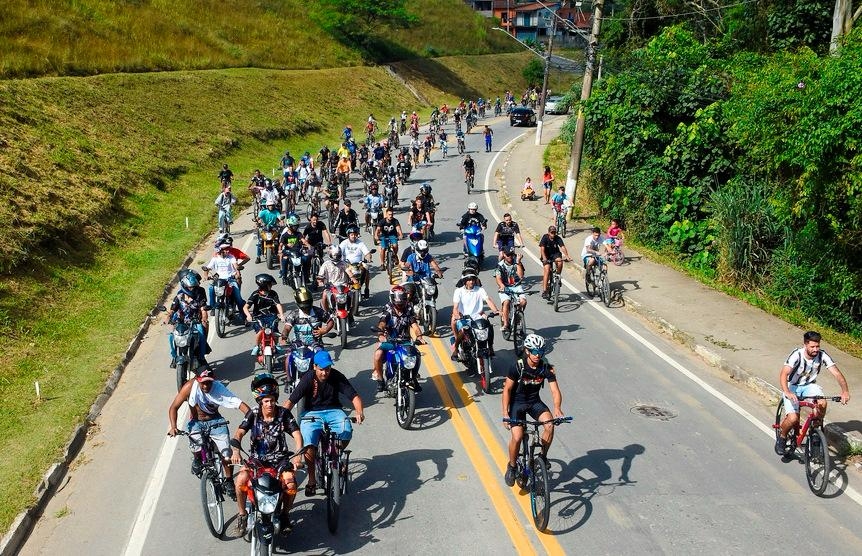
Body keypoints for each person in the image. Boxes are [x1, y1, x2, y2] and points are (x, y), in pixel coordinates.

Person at [230, 373, 303, 536]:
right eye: (266, 401)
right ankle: (242, 515)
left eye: (272, 400)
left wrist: (298, 455)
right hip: (256, 461)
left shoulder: (284, 413)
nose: (270, 404)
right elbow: (239, 433)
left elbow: (297, 435)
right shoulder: (253, 414)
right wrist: (236, 450)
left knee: (291, 485)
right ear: (260, 401)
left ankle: (285, 515)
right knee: (240, 481)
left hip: (280, 461)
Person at [283, 350, 364, 496]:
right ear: (314, 367)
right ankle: (312, 479)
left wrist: (359, 411)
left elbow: (354, 396)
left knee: (346, 429)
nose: (325, 373)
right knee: (308, 441)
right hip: (311, 413)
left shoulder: (336, 376)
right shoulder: (307, 378)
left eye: (327, 369)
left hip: (334, 411)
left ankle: (336, 455)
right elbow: (291, 401)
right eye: (322, 369)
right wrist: (280, 418)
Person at [501, 334, 564, 486]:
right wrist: (505, 413)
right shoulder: (517, 366)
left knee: (549, 424)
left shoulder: (546, 368)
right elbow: (507, 390)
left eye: (540, 352)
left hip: (534, 402)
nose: (538, 355)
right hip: (518, 404)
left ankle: (542, 456)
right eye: (534, 351)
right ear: (527, 351)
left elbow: (555, 391)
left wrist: (557, 408)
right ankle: (512, 466)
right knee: (517, 437)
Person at [774, 331, 851, 456]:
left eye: (817, 346)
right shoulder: (796, 355)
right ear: (805, 344)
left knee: (822, 403)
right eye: (812, 347)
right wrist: (787, 392)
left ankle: (815, 434)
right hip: (792, 386)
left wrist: (845, 391)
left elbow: (837, 373)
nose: (815, 349)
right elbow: (784, 374)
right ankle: (782, 438)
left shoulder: (822, 355)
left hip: (810, 386)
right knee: (793, 418)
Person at [168, 369, 250, 482]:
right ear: (197, 380)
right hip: (196, 422)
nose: (206, 386)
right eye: (203, 383)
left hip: (216, 421)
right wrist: (173, 427)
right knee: (196, 445)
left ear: (213, 380)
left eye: (209, 382)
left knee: (226, 454)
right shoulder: (189, 387)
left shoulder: (219, 388)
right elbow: (174, 407)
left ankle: (229, 480)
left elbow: (239, 404)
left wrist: (251, 419)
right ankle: (197, 458)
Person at [372, 285, 426, 393]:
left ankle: (413, 378)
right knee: (378, 355)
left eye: (402, 302)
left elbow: (414, 325)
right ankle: (380, 380)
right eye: (398, 303)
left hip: (405, 341)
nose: (400, 305)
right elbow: (382, 322)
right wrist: (381, 335)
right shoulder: (388, 308)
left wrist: (419, 337)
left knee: (417, 355)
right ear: (393, 300)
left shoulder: (409, 308)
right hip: (390, 340)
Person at [451, 269, 500, 361]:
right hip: (464, 318)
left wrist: (496, 310)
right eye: (469, 280)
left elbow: (488, 300)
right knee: (462, 331)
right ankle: (456, 349)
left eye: (473, 279)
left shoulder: (480, 290)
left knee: (489, 327)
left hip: (478, 317)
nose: (472, 281)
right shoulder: (458, 291)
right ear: (465, 281)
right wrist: (457, 315)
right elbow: (455, 307)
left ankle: (490, 347)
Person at [164, 284, 210, 370]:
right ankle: (174, 357)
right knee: (171, 336)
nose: (191, 289)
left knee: (201, 331)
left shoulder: (198, 296)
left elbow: (203, 310)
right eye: (190, 287)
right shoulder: (179, 297)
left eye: (192, 287)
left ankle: (201, 357)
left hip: (194, 322)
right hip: (181, 323)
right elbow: (172, 310)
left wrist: (204, 319)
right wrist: (168, 318)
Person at [242, 274, 285, 353]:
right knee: (260, 331)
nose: (271, 286)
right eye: (270, 284)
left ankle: (277, 344)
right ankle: (257, 346)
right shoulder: (255, 294)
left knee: (274, 331)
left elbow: (278, 304)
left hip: (271, 316)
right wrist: (248, 316)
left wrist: (281, 315)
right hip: (258, 317)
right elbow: (245, 307)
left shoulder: (273, 294)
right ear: (264, 285)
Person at [282, 287, 333, 353]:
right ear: (298, 304)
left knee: (324, 358)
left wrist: (324, 330)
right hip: (297, 344)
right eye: (304, 306)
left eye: (307, 304)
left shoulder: (319, 312)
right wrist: (284, 338)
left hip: (316, 344)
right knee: (289, 357)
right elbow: (287, 328)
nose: (306, 308)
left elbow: (330, 321)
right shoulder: (294, 314)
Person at [203, 242, 245, 311]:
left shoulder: (231, 257)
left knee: (238, 298)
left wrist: (238, 274)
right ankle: (212, 306)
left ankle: (244, 316)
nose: (227, 251)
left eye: (227, 249)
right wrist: (206, 276)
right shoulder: (215, 259)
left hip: (230, 279)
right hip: (219, 280)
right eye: (225, 249)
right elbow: (207, 268)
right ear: (219, 250)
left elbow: (236, 266)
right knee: (211, 288)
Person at [495, 247, 526, 336]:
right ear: (504, 255)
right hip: (505, 287)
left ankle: (518, 317)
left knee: (523, 302)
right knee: (506, 302)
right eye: (508, 255)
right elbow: (498, 278)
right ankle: (506, 324)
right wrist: (502, 286)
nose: (510, 257)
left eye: (511, 255)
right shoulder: (500, 265)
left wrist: (518, 262)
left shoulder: (516, 263)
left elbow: (520, 276)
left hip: (516, 286)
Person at [402, 239, 443, 305]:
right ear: (417, 250)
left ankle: (432, 305)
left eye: (424, 251)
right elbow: (407, 264)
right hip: (414, 279)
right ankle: (408, 309)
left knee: (434, 292)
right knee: (409, 294)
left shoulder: (428, 257)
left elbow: (435, 265)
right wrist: (407, 269)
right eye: (421, 251)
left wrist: (439, 272)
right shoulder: (411, 257)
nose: (423, 253)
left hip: (426, 279)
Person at [339, 226, 373, 300]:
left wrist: (369, 257)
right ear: (348, 235)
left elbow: (367, 253)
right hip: (346, 264)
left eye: (355, 234)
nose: (353, 236)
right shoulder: (344, 243)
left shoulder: (360, 243)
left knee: (366, 268)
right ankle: (341, 289)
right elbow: (338, 252)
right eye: (352, 234)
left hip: (358, 264)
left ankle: (367, 288)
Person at [317, 245, 352, 312]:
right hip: (330, 287)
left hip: (343, 286)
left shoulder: (344, 263)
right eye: (334, 255)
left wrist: (353, 280)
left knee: (351, 296)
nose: (336, 257)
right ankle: (326, 313)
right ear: (330, 255)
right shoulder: (325, 264)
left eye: (338, 255)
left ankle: (350, 312)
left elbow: (349, 272)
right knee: (324, 296)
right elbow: (320, 276)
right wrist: (320, 282)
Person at [540, 225, 572, 298]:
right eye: (552, 233)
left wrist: (567, 256)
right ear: (548, 233)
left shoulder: (558, 238)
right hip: (546, 255)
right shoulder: (545, 237)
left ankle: (558, 275)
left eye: (554, 232)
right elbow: (542, 249)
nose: (553, 234)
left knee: (560, 262)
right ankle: (545, 291)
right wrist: (544, 258)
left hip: (555, 254)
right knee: (547, 270)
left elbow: (562, 247)